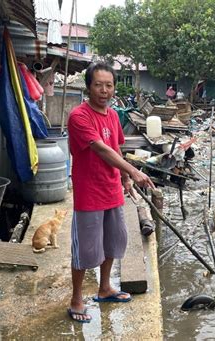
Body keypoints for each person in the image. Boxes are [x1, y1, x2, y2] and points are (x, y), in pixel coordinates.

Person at [66, 62, 155, 323]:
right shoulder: (79, 116)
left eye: (109, 85)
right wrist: (136, 171)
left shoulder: (114, 115)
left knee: (113, 244)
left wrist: (126, 177)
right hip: (89, 194)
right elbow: (100, 148)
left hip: (112, 189)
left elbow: (116, 147)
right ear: (88, 86)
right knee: (85, 251)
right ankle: (76, 299)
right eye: (98, 85)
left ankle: (105, 289)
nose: (104, 90)